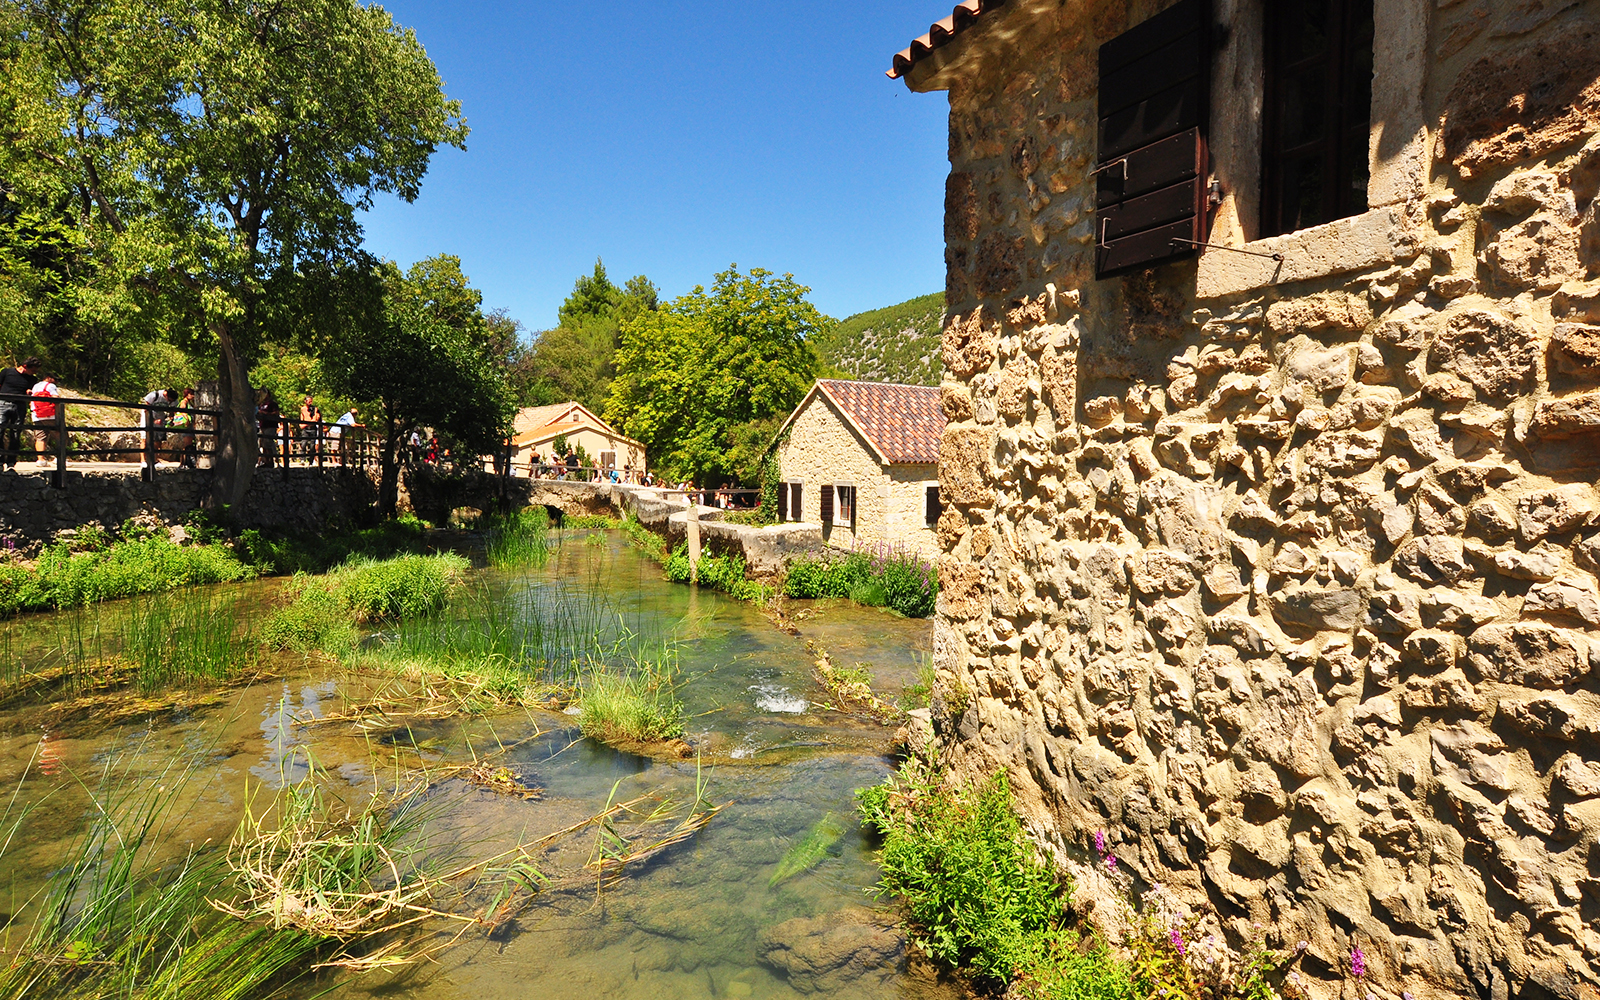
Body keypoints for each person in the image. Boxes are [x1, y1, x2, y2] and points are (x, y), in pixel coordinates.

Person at [0, 357, 42, 471]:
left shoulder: (32, 379)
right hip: (3, 403)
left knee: (15, 434)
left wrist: (29, 392)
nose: (34, 373)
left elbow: (32, 391)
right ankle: (0, 460)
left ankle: (11, 462)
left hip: (19, 406)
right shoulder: (7, 372)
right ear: (25, 366)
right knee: (0, 431)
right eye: (33, 370)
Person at [29, 373, 61, 466]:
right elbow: (55, 398)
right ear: (49, 378)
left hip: (37, 414)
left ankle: (41, 460)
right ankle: (60, 458)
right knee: (61, 435)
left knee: (40, 437)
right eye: (55, 379)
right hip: (50, 415)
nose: (56, 382)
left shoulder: (35, 386)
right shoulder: (50, 386)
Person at [169, 388, 197, 468]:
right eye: (191, 394)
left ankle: (186, 462)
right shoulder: (184, 402)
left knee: (188, 444)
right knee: (187, 444)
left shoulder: (189, 403)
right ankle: (183, 462)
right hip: (186, 425)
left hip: (190, 425)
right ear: (187, 394)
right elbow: (182, 410)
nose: (193, 396)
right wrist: (187, 418)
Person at [257, 394, 281, 468]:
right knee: (263, 444)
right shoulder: (261, 405)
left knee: (268, 443)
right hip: (263, 425)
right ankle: (266, 461)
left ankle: (271, 461)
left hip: (270, 425)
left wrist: (266, 414)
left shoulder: (272, 404)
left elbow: (276, 413)